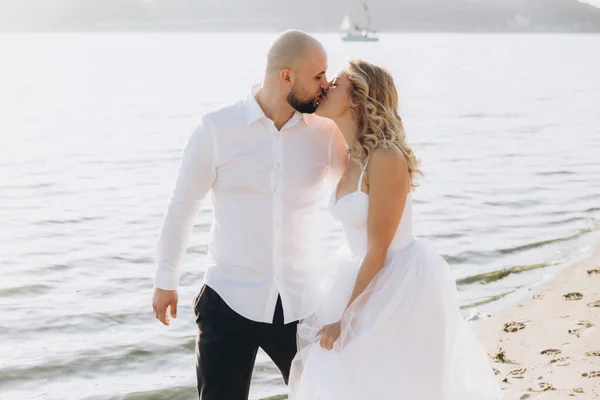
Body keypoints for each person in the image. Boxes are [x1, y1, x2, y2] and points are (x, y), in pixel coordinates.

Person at [289, 60, 503, 399]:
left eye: (336, 83)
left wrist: (345, 317)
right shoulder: (349, 155)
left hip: (396, 284)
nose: (326, 86)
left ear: (358, 98)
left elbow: (379, 249)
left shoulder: (385, 157)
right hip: (356, 273)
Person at [151, 30, 347, 399]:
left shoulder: (325, 133)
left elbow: (359, 187)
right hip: (228, 300)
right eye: (318, 76)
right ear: (286, 76)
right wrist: (166, 280)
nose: (326, 85)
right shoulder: (216, 129)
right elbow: (182, 206)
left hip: (301, 305)